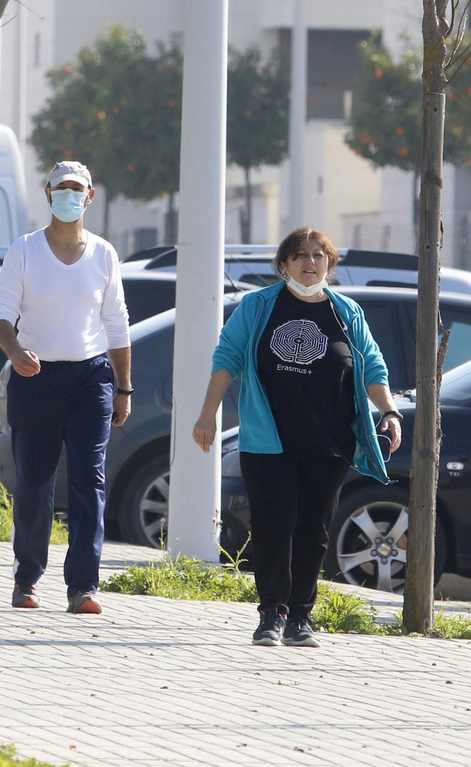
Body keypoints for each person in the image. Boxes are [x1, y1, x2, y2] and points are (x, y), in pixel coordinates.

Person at [191, 228, 402, 647]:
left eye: (318, 255)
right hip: (268, 439)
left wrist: (390, 411)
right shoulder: (258, 306)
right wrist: (207, 415)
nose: (309, 262)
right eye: (299, 255)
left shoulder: (347, 312)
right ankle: (271, 613)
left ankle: (300, 618)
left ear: (330, 263)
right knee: (273, 523)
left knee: (313, 529)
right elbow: (226, 358)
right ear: (284, 264)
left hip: (330, 441)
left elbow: (373, 366)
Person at [0, 161, 132, 614]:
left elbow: (116, 324)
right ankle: (27, 577)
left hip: (91, 379)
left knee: (89, 480)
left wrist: (123, 388)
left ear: (90, 197)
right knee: (35, 481)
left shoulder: (104, 254)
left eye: (78, 189)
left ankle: (83, 587)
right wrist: (15, 353)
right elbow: (1, 315)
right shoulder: (25, 251)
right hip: (36, 379)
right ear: (47, 194)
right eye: (61, 188)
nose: (69, 195)